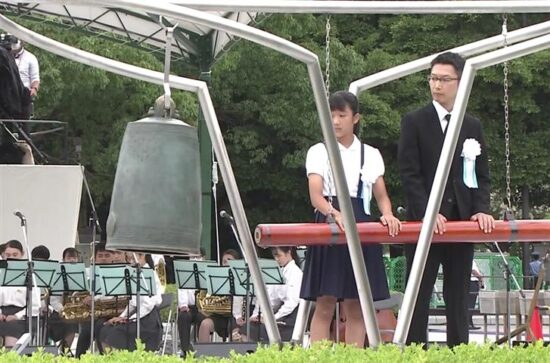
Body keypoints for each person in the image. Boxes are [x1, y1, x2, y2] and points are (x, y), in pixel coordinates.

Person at [398, 52, 495, 347]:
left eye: (444, 79)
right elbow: (409, 173)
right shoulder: (414, 121)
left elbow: (480, 174)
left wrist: (481, 210)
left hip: (461, 223)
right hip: (425, 223)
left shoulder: (471, 125)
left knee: (458, 297)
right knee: (419, 295)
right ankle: (417, 353)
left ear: (460, 82)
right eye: (433, 78)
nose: (437, 85)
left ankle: (458, 352)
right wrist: (429, 212)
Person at [300, 91, 401, 347]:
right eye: (331, 115)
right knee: (325, 301)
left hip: (362, 223)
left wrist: (387, 215)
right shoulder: (319, 151)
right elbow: (316, 196)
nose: (335, 121)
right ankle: (319, 357)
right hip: (330, 221)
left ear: (355, 118)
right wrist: (334, 213)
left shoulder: (371, 153)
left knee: (357, 304)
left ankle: (353, 356)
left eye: (341, 115)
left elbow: (381, 195)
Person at [100, 253, 163, 352]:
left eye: (132, 259)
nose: (130, 262)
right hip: (138, 317)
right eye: (129, 259)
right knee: (105, 330)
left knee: (115, 333)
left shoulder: (149, 274)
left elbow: (148, 305)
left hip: (148, 321)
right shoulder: (136, 273)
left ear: (142, 257)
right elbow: (133, 303)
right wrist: (121, 317)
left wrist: (129, 319)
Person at [244, 246, 303, 342]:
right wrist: (260, 315)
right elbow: (272, 298)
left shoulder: (296, 273)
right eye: (274, 256)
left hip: (290, 316)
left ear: (289, 252)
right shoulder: (278, 271)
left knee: (259, 330)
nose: (276, 259)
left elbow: (291, 303)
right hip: (278, 313)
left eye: (279, 256)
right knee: (248, 328)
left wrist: (272, 318)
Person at [197, 249, 245, 343]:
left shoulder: (242, 278)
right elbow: (208, 297)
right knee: (205, 324)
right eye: (224, 261)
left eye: (230, 260)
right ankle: (204, 356)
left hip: (237, 317)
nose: (226, 263)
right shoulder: (216, 277)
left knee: (236, 333)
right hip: (221, 316)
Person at [0, 240, 41, 348]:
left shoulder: (30, 275)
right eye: (8, 255)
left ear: (22, 254)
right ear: (3, 255)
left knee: (11, 328)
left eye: (15, 255)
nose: (11, 257)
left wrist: (17, 316)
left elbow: (36, 304)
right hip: (2, 313)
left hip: (22, 316)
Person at [468, 260, 484, 330]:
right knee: (470, 304)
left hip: (472, 282)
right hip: (472, 282)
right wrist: (480, 277)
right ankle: (468, 323)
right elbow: (473, 270)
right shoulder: (470, 260)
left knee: (471, 304)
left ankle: (470, 322)